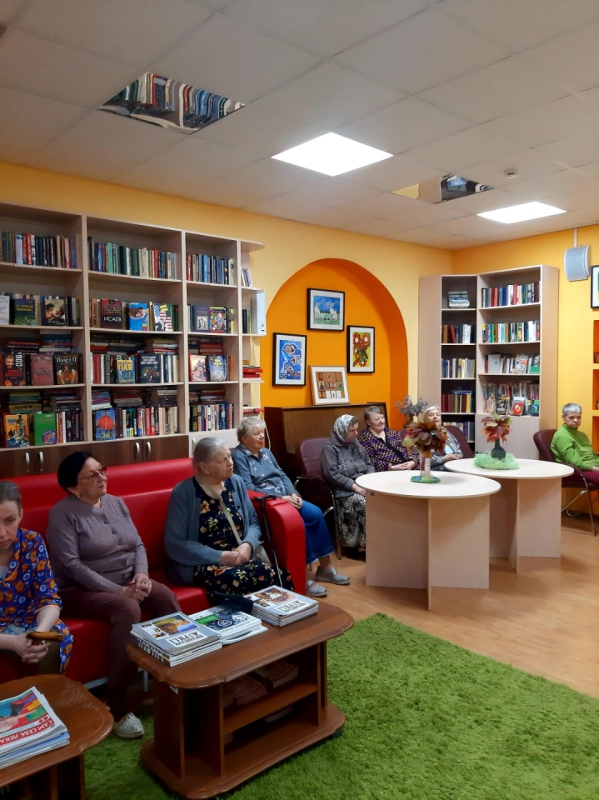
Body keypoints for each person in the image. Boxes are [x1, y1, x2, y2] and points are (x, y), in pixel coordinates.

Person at [46, 452, 180, 740]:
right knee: (127, 609)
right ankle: (117, 703)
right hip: (80, 590)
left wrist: (141, 575)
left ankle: (175, 677)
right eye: (92, 475)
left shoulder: (117, 503)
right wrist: (119, 591)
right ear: (73, 486)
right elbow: (71, 566)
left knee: (165, 597)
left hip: (128, 580)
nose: (102, 477)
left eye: (102, 470)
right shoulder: (62, 514)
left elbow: (137, 545)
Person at [232, 417, 350, 598]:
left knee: (315, 513)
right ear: (244, 438)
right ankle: (302, 577)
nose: (262, 437)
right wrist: (281, 498)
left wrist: (293, 493)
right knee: (298, 522)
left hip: (286, 498)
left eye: (262, 433)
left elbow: (281, 475)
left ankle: (326, 568)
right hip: (268, 503)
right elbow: (247, 487)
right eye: (256, 434)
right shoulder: (239, 456)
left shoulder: (266, 452)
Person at [164, 437, 294, 596]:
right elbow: (175, 542)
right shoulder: (184, 492)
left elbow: (253, 522)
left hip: (238, 556)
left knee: (278, 576)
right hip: (202, 562)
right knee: (235, 579)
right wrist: (221, 557)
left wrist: (247, 545)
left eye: (229, 457)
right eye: (223, 460)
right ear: (204, 467)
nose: (230, 463)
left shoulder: (236, 482)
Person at [0, 481, 73, 677]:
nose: (2, 533)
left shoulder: (32, 542)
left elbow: (48, 597)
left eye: (9, 520)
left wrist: (39, 633)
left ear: (20, 515)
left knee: (52, 640)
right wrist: (11, 642)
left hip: (27, 620)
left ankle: (45, 695)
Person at [320, 415, 374, 553]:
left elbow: (368, 463)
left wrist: (368, 480)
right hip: (344, 490)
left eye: (356, 429)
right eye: (352, 431)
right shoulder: (330, 448)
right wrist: (354, 486)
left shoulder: (355, 443)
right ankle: (366, 546)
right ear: (342, 431)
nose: (356, 433)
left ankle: (383, 542)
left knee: (385, 500)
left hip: (363, 484)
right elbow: (331, 474)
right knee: (366, 503)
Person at [358, 405, 417, 472]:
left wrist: (413, 462)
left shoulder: (389, 432)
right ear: (368, 422)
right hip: (389, 472)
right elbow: (369, 460)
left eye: (382, 418)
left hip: (409, 466)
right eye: (377, 419)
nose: (381, 421)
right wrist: (391, 468)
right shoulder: (365, 437)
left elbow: (406, 448)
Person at [551, 403, 599, 481]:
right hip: (578, 471)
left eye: (578, 417)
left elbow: (593, 456)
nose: (576, 420)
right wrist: (595, 469)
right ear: (563, 417)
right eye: (571, 417)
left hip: (592, 466)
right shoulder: (562, 436)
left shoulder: (582, 435)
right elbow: (575, 463)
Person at [422, 406, 463, 471]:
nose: (435, 417)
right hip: (437, 471)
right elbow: (422, 459)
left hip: (455, 467)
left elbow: (458, 449)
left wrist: (457, 456)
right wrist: (443, 459)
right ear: (425, 420)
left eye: (437, 415)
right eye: (431, 415)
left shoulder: (447, 433)